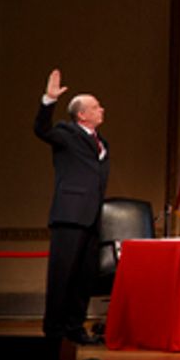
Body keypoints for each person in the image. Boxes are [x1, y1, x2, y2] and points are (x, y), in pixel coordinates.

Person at [33, 69, 109, 345]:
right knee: (62, 276)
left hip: (91, 218)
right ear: (81, 115)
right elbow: (42, 129)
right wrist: (48, 100)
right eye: (95, 106)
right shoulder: (67, 133)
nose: (101, 109)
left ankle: (75, 327)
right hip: (69, 215)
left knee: (83, 278)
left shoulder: (102, 143)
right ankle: (54, 330)